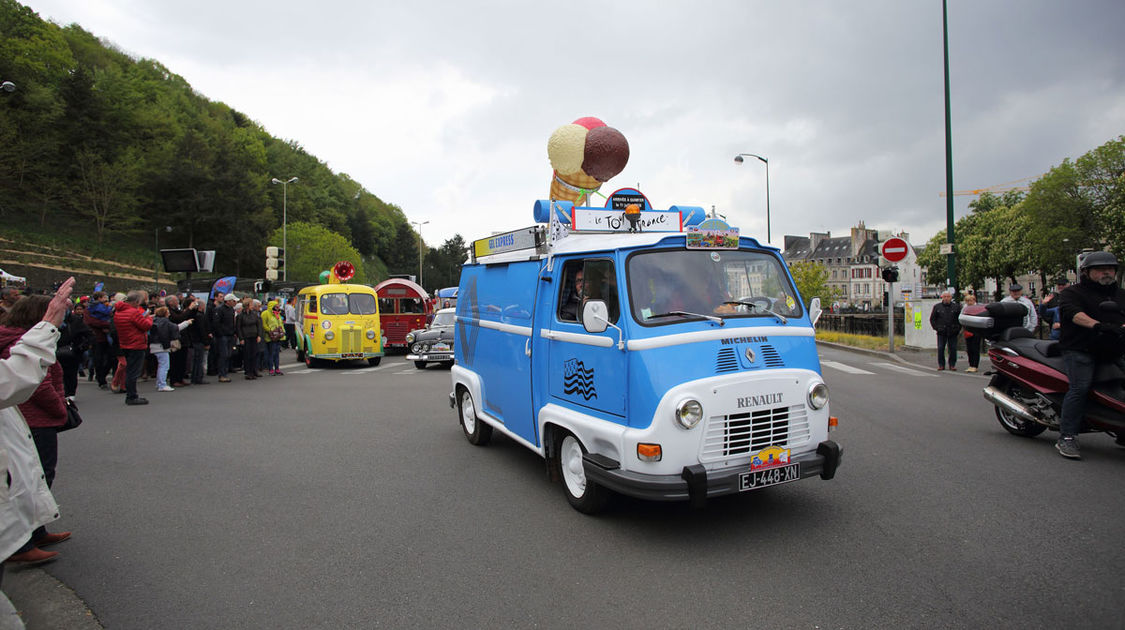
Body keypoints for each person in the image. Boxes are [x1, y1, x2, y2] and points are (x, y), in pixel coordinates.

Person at [0, 277, 73, 569]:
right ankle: (21, 541)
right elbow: (30, 381)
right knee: (31, 475)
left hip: (25, 419)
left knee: (36, 475)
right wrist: (60, 408)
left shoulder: (15, 337)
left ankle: (36, 530)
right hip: (34, 417)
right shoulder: (17, 342)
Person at [1054, 252, 1125, 459]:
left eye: (1110, 269)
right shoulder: (1073, 293)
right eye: (1100, 269)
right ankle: (1067, 437)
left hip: (1113, 349)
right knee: (1080, 387)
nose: (1106, 272)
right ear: (1086, 272)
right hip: (1080, 349)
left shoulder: (1120, 295)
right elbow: (1074, 314)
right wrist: (1097, 325)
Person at [114, 290, 154, 405]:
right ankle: (132, 396)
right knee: (133, 372)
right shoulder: (133, 312)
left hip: (125, 343)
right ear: (136, 301)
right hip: (136, 344)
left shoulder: (118, 311)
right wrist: (148, 318)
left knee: (130, 370)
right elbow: (146, 326)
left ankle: (130, 394)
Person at [56, 300, 92, 398]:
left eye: (67, 306)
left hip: (72, 352)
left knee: (70, 373)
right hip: (55, 351)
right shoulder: (52, 320)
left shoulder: (75, 320)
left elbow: (89, 334)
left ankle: (70, 393)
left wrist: (82, 347)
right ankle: (60, 392)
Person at [84, 291, 113, 390]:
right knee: (98, 359)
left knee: (111, 358)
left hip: (107, 336)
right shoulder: (90, 309)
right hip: (96, 337)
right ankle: (101, 379)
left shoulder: (105, 307)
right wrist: (107, 324)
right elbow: (91, 322)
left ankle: (102, 375)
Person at [148, 306, 179, 392]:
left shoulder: (155, 320)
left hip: (154, 344)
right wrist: (186, 323)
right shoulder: (165, 322)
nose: (169, 313)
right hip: (161, 346)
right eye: (167, 312)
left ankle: (159, 383)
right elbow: (176, 328)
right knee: (164, 366)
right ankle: (162, 384)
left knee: (161, 365)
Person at [929, 290, 960, 371]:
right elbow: (932, 319)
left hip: (952, 331)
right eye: (945, 297)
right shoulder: (937, 307)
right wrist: (936, 328)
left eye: (948, 297)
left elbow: (959, 319)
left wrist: (957, 329)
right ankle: (941, 364)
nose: (946, 298)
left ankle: (952, 364)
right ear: (942, 297)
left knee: (953, 348)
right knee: (940, 348)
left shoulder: (956, 307)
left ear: (951, 297)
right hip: (941, 332)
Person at [235, 298, 263, 380]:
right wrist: (241, 338)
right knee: (247, 355)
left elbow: (258, 325)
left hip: (254, 336)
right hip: (246, 337)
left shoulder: (254, 314)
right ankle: (248, 372)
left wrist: (259, 335)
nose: (252, 306)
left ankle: (254, 370)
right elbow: (238, 327)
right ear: (247, 305)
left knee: (254, 354)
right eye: (251, 304)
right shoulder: (240, 316)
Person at [214, 294, 237, 382]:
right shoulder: (219, 309)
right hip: (223, 335)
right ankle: (222, 374)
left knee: (228, 355)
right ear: (228, 301)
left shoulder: (231, 310)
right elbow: (216, 323)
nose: (234, 302)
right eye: (233, 301)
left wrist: (234, 332)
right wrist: (220, 333)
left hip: (230, 335)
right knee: (223, 355)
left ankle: (225, 372)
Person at [1039, 276, 1068, 340]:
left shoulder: (1074, 298)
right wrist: (1043, 304)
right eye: (1059, 284)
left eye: (1063, 284)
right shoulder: (1054, 298)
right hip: (1056, 335)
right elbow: (1043, 313)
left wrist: (1061, 325)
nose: (1060, 286)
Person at [262, 300, 285, 375]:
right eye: (276, 306)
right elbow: (263, 324)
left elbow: (281, 324)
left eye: (278, 306)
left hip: (278, 336)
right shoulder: (266, 313)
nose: (278, 308)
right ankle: (271, 369)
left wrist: (283, 332)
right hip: (270, 337)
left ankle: (277, 368)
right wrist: (269, 330)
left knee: (277, 354)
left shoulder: (278, 314)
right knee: (271, 353)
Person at [962, 293, 982, 372]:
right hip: (967, 330)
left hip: (976, 330)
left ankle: (975, 365)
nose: (969, 302)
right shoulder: (965, 308)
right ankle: (971, 365)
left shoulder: (978, 308)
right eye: (967, 301)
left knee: (975, 348)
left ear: (974, 300)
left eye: (970, 300)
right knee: (969, 349)